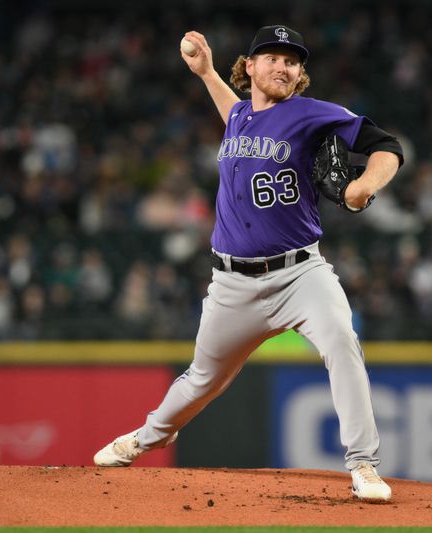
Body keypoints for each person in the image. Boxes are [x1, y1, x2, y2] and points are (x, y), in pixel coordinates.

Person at [94, 25, 403, 502]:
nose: (283, 66)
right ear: (251, 67)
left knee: (342, 341)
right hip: (232, 283)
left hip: (301, 274)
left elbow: (387, 146)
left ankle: (363, 464)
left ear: (300, 75)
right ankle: (147, 437)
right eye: (273, 57)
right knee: (201, 379)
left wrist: (366, 185)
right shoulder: (240, 116)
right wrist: (206, 74)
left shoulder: (310, 113)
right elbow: (235, 113)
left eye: (292, 61)